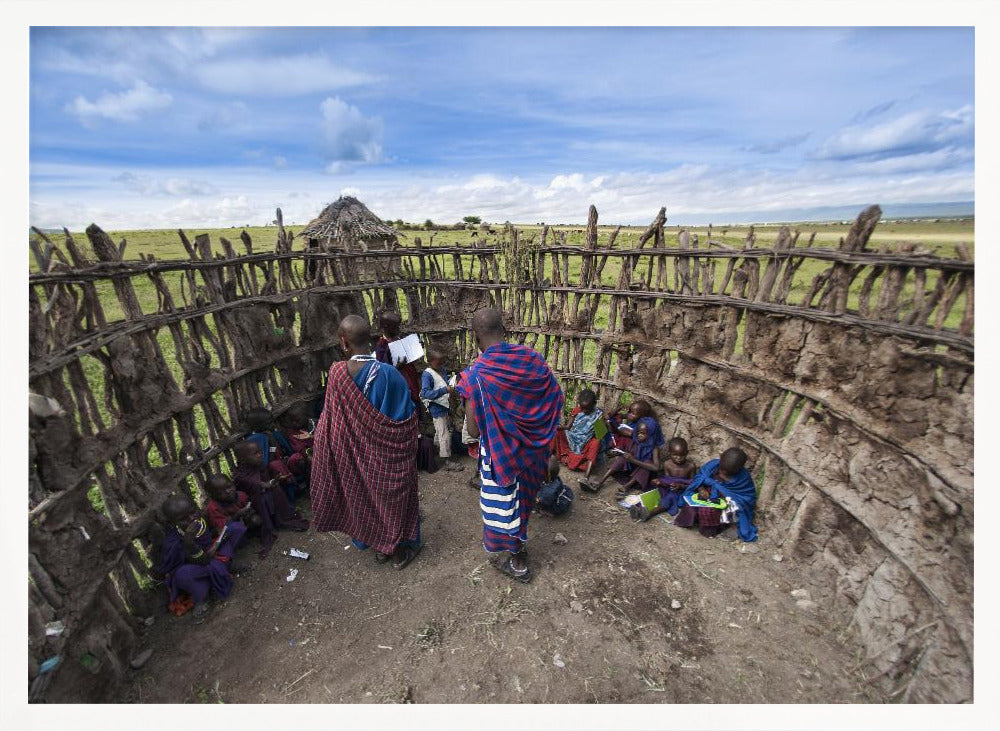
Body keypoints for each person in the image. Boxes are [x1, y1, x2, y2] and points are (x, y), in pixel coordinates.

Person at [456, 308, 564, 583]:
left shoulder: (476, 376)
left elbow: (472, 430)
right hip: (534, 453)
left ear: (475, 337)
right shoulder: (531, 359)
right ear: (503, 330)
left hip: (503, 455)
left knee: (506, 508)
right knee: (524, 501)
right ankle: (519, 552)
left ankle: (518, 562)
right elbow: (554, 397)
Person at [311, 314, 423, 570]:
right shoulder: (391, 376)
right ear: (371, 339)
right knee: (395, 499)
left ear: (343, 342)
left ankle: (380, 543)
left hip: (353, 457)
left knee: (364, 497)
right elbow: (407, 423)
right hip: (389, 459)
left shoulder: (337, 375)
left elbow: (331, 422)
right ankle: (398, 548)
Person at [154, 494, 247, 620]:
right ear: (173, 523)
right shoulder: (173, 543)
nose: (192, 518)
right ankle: (202, 598)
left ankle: (227, 566)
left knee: (235, 529)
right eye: (183, 519)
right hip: (197, 568)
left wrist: (220, 536)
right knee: (183, 575)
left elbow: (211, 536)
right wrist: (189, 543)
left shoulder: (201, 520)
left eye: (193, 512)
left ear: (196, 508)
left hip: (212, 555)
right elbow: (202, 561)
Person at [232, 439, 309, 558]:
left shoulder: (259, 465)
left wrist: (277, 479)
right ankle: (269, 525)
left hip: (266, 491)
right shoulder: (240, 474)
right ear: (242, 460)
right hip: (254, 503)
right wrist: (264, 485)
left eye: (260, 452)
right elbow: (253, 483)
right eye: (255, 453)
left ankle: (281, 518)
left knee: (275, 489)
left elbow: (267, 477)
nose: (260, 455)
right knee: (263, 497)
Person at [674, 447, 758, 541]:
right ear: (720, 458)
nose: (722, 474)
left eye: (728, 474)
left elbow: (744, 500)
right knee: (691, 505)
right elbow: (699, 478)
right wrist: (701, 488)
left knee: (709, 511)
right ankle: (685, 522)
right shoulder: (713, 465)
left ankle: (708, 532)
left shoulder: (743, 479)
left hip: (724, 504)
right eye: (721, 469)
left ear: (738, 470)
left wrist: (723, 497)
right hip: (704, 495)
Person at [579, 416, 664, 495]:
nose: (639, 435)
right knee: (622, 458)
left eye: (643, 433)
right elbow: (618, 431)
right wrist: (619, 451)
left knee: (647, 465)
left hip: (640, 476)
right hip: (629, 469)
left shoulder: (654, 448)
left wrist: (634, 460)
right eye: (638, 432)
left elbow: (656, 467)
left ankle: (626, 487)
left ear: (651, 435)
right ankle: (600, 482)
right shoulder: (635, 438)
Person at [630, 437, 697, 522]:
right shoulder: (667, 464)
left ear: (687, 453)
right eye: (675, 455)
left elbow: (693, 484)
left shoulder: (690, 466)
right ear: (669, 453)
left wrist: (680, 486)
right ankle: (638, 508)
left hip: (681, 492)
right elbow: (667, 481)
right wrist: (660, 483)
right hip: (667, 488)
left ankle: (650, 513)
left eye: (682, 455)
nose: (678, 458)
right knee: (654, 492)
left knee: (670, 498)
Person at [245, 407, 301, 505]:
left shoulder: (274, 433)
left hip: (283, 462)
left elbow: (288, 449)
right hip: (270, 470)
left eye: (272, 422)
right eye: (268, 423)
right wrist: (273, 444)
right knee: (276, 465)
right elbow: (266, 461)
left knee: (296, 457)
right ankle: (291, 501)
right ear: (258, 426)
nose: (272, 425)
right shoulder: (256, 439)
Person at [420, 347, 461, 471]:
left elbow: (443, 381)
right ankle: (446, 460)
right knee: (444, 434)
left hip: (443, 405)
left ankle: (436, 452)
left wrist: (450, 383)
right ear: (430, 361)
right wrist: (444, 390)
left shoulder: (441, 369)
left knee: (440, 431)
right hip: (437, 408)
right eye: (438, 362)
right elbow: (425, 393)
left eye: (442, 362)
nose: (441, 364)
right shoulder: (427, 375)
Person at [552, 389, 605, 478]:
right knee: (556, 432)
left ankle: (586, 476)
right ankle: (548, 458)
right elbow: (568, 427)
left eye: (587, 408)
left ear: (593, 405)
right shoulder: (577, 410)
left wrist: (601, 423)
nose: (584, 410)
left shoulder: (598, 415)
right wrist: (557, 427)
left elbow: (600, 435)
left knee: (596, 442)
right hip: (572, 438)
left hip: (585, 443)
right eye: (582, 407)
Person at [375, 310, 422, 410]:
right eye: (395, 327)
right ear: (385, 328)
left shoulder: (400, 339)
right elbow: (383, 371)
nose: (398, 329)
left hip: (410, 382)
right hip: (399, 388)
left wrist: (416, 348)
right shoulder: (381, 347)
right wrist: (397, 368)